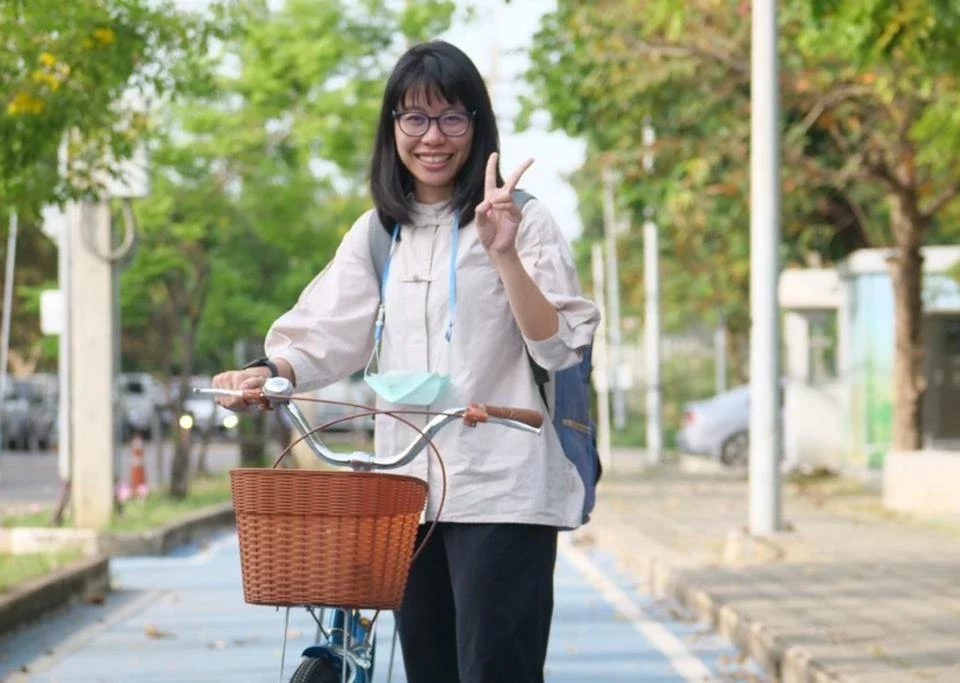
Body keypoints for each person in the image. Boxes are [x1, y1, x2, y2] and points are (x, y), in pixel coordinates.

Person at [212, 40, 600, 683]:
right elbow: (326, 330)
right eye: (415, 118)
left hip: (502, 487)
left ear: (477, 125)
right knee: (429, 671)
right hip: (409, 496)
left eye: (451, 118)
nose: (432, 137)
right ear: (393, 127)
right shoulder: (380, 232)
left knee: (495, 671)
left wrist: (503, 253)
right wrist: (269, 372)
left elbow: (558, 346)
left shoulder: (523, 222)